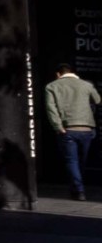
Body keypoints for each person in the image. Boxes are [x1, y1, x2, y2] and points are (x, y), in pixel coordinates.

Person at [51, 62, 99, 199]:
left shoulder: (52, 86)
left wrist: (58, 127)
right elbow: (98, 100)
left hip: (68, 129)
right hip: (87, 128)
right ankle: (78, 187)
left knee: (72, 161)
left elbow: (51, 109)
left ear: (58, 74)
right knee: (81, 160)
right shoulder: (86, 85)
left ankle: (78, 190)